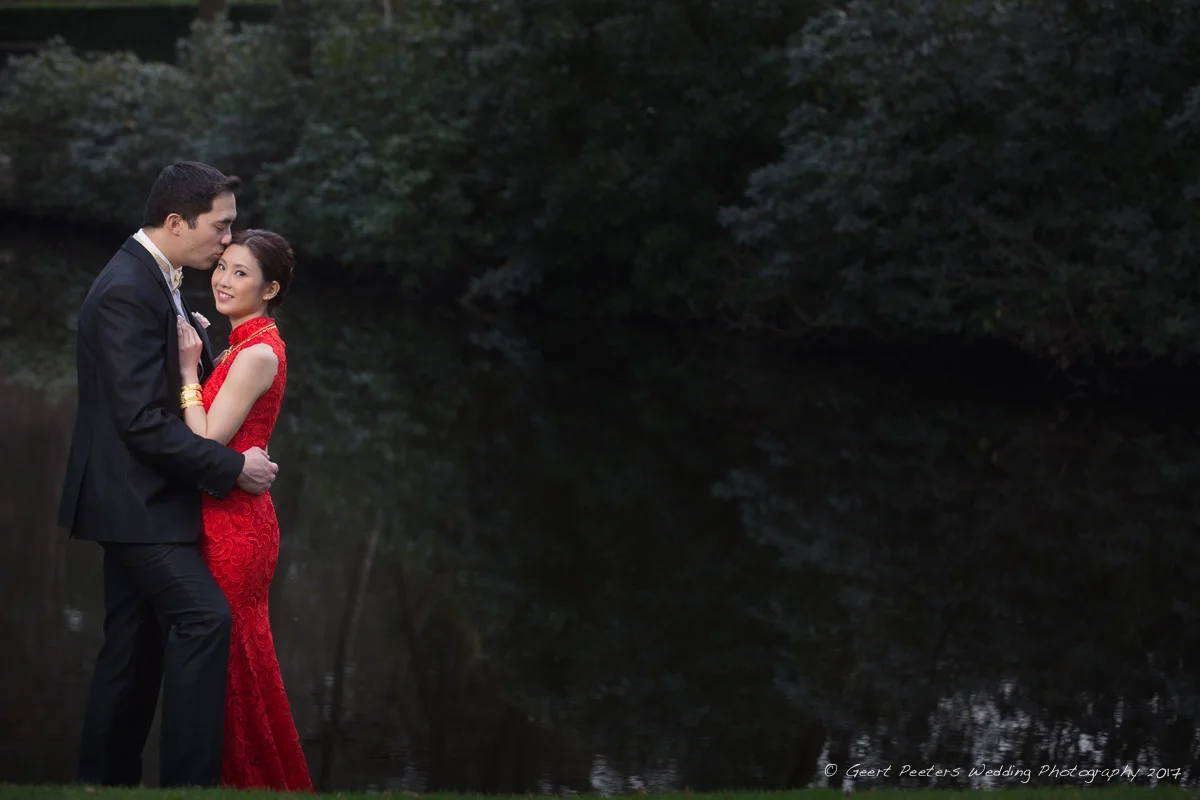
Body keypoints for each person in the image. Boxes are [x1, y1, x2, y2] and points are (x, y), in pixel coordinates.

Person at [57, 161, 279, 788]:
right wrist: (233, 468)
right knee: (205, 618)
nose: (228, 241)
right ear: (177, 222)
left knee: (131, 649)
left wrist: (200, 354)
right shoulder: (129, 287)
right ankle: (190, 782)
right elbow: (139, 422)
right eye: (221, 226)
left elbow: (154, 389)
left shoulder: (158, 276)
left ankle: (104, 782)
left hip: (137, 497)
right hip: (135, 500)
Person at [175, 228, 314, 792]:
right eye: (223, 267)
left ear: (270, 287)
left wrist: (188, 371)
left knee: (236, 666)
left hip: (236, 527)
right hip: (225, 514)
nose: (224, 280)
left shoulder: (257, 352)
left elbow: (207, 439)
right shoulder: (241, 343)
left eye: (241, 274)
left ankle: (252, 780)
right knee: (230, 665)